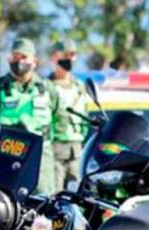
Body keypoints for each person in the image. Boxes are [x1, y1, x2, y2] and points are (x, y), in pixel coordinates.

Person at [0, 37, 60, 193]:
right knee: (3, 204)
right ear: (9, 59)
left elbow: (59, 118)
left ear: (35, 61)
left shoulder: (47, 89)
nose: (18, 61)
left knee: (42, 205)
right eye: (15, 57)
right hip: (5, 156)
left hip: (40, 159)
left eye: (23, 57)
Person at [50, 39, 90, 189]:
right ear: (54, 57)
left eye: (72, 55)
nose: (69, 59)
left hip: (77, 150)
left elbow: (85, 116)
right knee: (53, 196)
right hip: (54, 151)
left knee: (79, 195)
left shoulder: (79, 86)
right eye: (65, 55)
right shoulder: (46, 87)